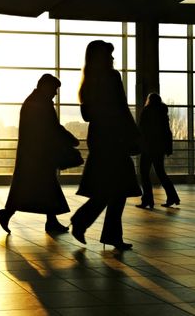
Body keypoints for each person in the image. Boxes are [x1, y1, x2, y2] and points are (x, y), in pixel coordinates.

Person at [70, 40, 142, 251]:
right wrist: (135, 134)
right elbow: (122, 107)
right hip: (115, 139)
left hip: (100, 138)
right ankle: (97, 228)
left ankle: (87, 224)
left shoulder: (88, 81)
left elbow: (87, 115)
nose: (112, 58)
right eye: (109, 55)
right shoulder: (112, 77)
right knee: (117, 188)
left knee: (109, 188)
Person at [0, 74, 80, 234]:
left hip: (33, 154)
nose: (55, 93)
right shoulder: (42, 103)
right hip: (39, 156)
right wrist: (71, 139)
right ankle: (11, 215)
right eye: (55, 89)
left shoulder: (33, 101)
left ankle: (10, 214)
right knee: (45, 188)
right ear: (46, 87)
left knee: (33, 188)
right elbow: (53, 127)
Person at [136, 93, 180, 209]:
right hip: (159, 149)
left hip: (148, 148)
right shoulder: (162, 113)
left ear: (149, 100)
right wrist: (167, 148)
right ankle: (172, 197)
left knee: (144, 173)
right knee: (161, 173)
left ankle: (148, 200)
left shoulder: (147, 111)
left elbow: (141, 129)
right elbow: (167, 132)